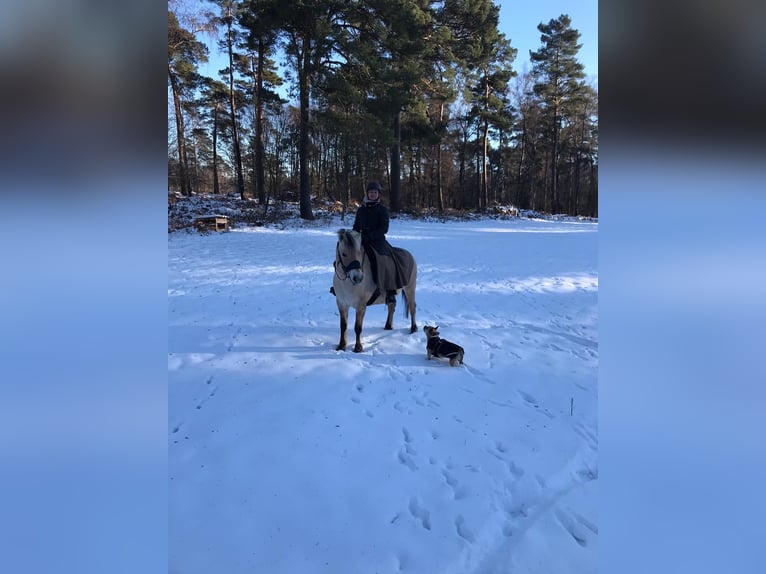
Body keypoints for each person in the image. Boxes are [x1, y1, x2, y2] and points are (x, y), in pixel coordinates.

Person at [352, 181, 405, 304]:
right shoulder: (361, 210)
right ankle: (342, 286)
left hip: (378, 241)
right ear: (367, 193)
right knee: (349, 256)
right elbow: (356, 226)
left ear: (378, 194)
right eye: (371, 192)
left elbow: (384, 228)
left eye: (375, 192)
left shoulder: (382, 210)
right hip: (362, 240)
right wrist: (353, 236)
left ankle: (390, 291)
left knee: (386, 260)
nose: (373, 194)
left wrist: (370, 236)